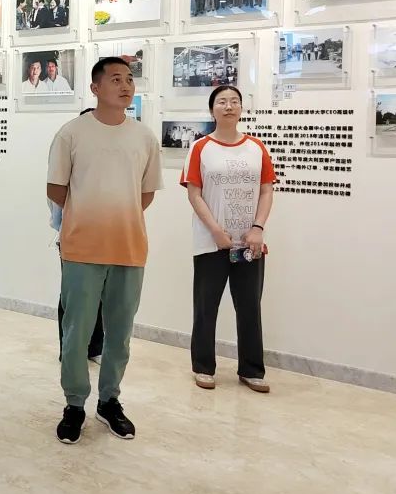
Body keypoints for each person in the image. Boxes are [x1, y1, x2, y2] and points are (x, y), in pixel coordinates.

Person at [47, 57, 162, 444]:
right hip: (81, 247)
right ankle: (74, 404)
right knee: (76, 332)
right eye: (115, 79)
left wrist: (117, 217)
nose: (125, 85)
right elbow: (56, 189)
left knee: (120, 333)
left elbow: (145, 194)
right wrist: (89, 215)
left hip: (129, 246)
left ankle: (109, 400)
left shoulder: (144, 137)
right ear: (95, 88)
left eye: (129, 79)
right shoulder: (72, 133)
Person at [181, 85, 275, 393]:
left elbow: (266, 190)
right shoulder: (200, 147)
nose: (229, 106)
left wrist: (258, 227)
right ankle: (203, 366)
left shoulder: (256, 148)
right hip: (211, 242)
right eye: (222, 102)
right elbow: (194, 194)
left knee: (250, 307)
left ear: (241, 108)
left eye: (234, 101)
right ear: (212, 110)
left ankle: (251, 369)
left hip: (249, 244)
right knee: (205, 306)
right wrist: (215, 231)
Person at [52, 108, 103, 365]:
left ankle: (95, 347)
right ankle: (69, 348)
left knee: (101, 295)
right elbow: (55, 198)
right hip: (73, 236)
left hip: (108, 238)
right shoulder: (69, 154)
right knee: (72, 295)